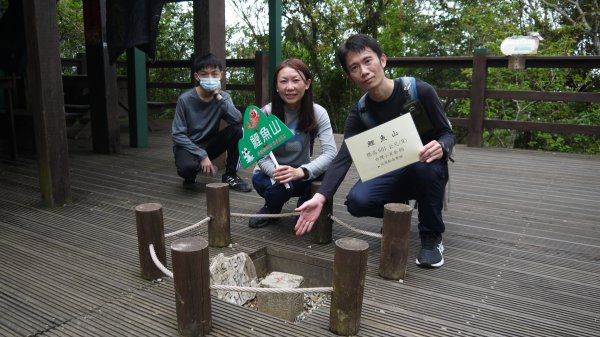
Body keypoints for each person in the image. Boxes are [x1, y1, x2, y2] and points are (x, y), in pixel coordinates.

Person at [295, 34, 455, 268]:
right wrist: (320, 197)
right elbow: (342, 158)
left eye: (368, 61)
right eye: (355, 67)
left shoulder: (418, 90)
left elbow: (448, 133)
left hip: (427, 166)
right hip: (392, 169)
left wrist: (441, 147)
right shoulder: (360, 112)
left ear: (383, 60)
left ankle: (431, 237)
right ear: (350, 76)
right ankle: (398, 207)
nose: (364, 71)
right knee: (357, 201)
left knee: (425, 170)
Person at [249, 58, 337, 228]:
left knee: (329, 173)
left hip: (301, 172)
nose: (290, 87)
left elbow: (330, 153)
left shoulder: (318, 112)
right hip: (271, 175)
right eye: (283, 81)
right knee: (277, 192)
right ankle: (272, 208)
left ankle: (304, 204)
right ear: (276, 86)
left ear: (307, 83)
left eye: (296, 80)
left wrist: (301, 171)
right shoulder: (265, 114)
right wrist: (277, 173)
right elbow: (261, 156)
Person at [172, 53, 252, 192]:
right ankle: (190, 177)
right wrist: (201, 155)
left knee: (237, 130)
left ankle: (230, 174)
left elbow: (236, 119)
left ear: (220, 75)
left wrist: (218, 97)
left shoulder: (223, 97)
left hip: (209, 144)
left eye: (214, 74)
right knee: (187, 167)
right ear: (197, 76)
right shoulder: (185, 99)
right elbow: (177, 134)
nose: (210, 78)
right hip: (188, 146)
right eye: (204, 74)